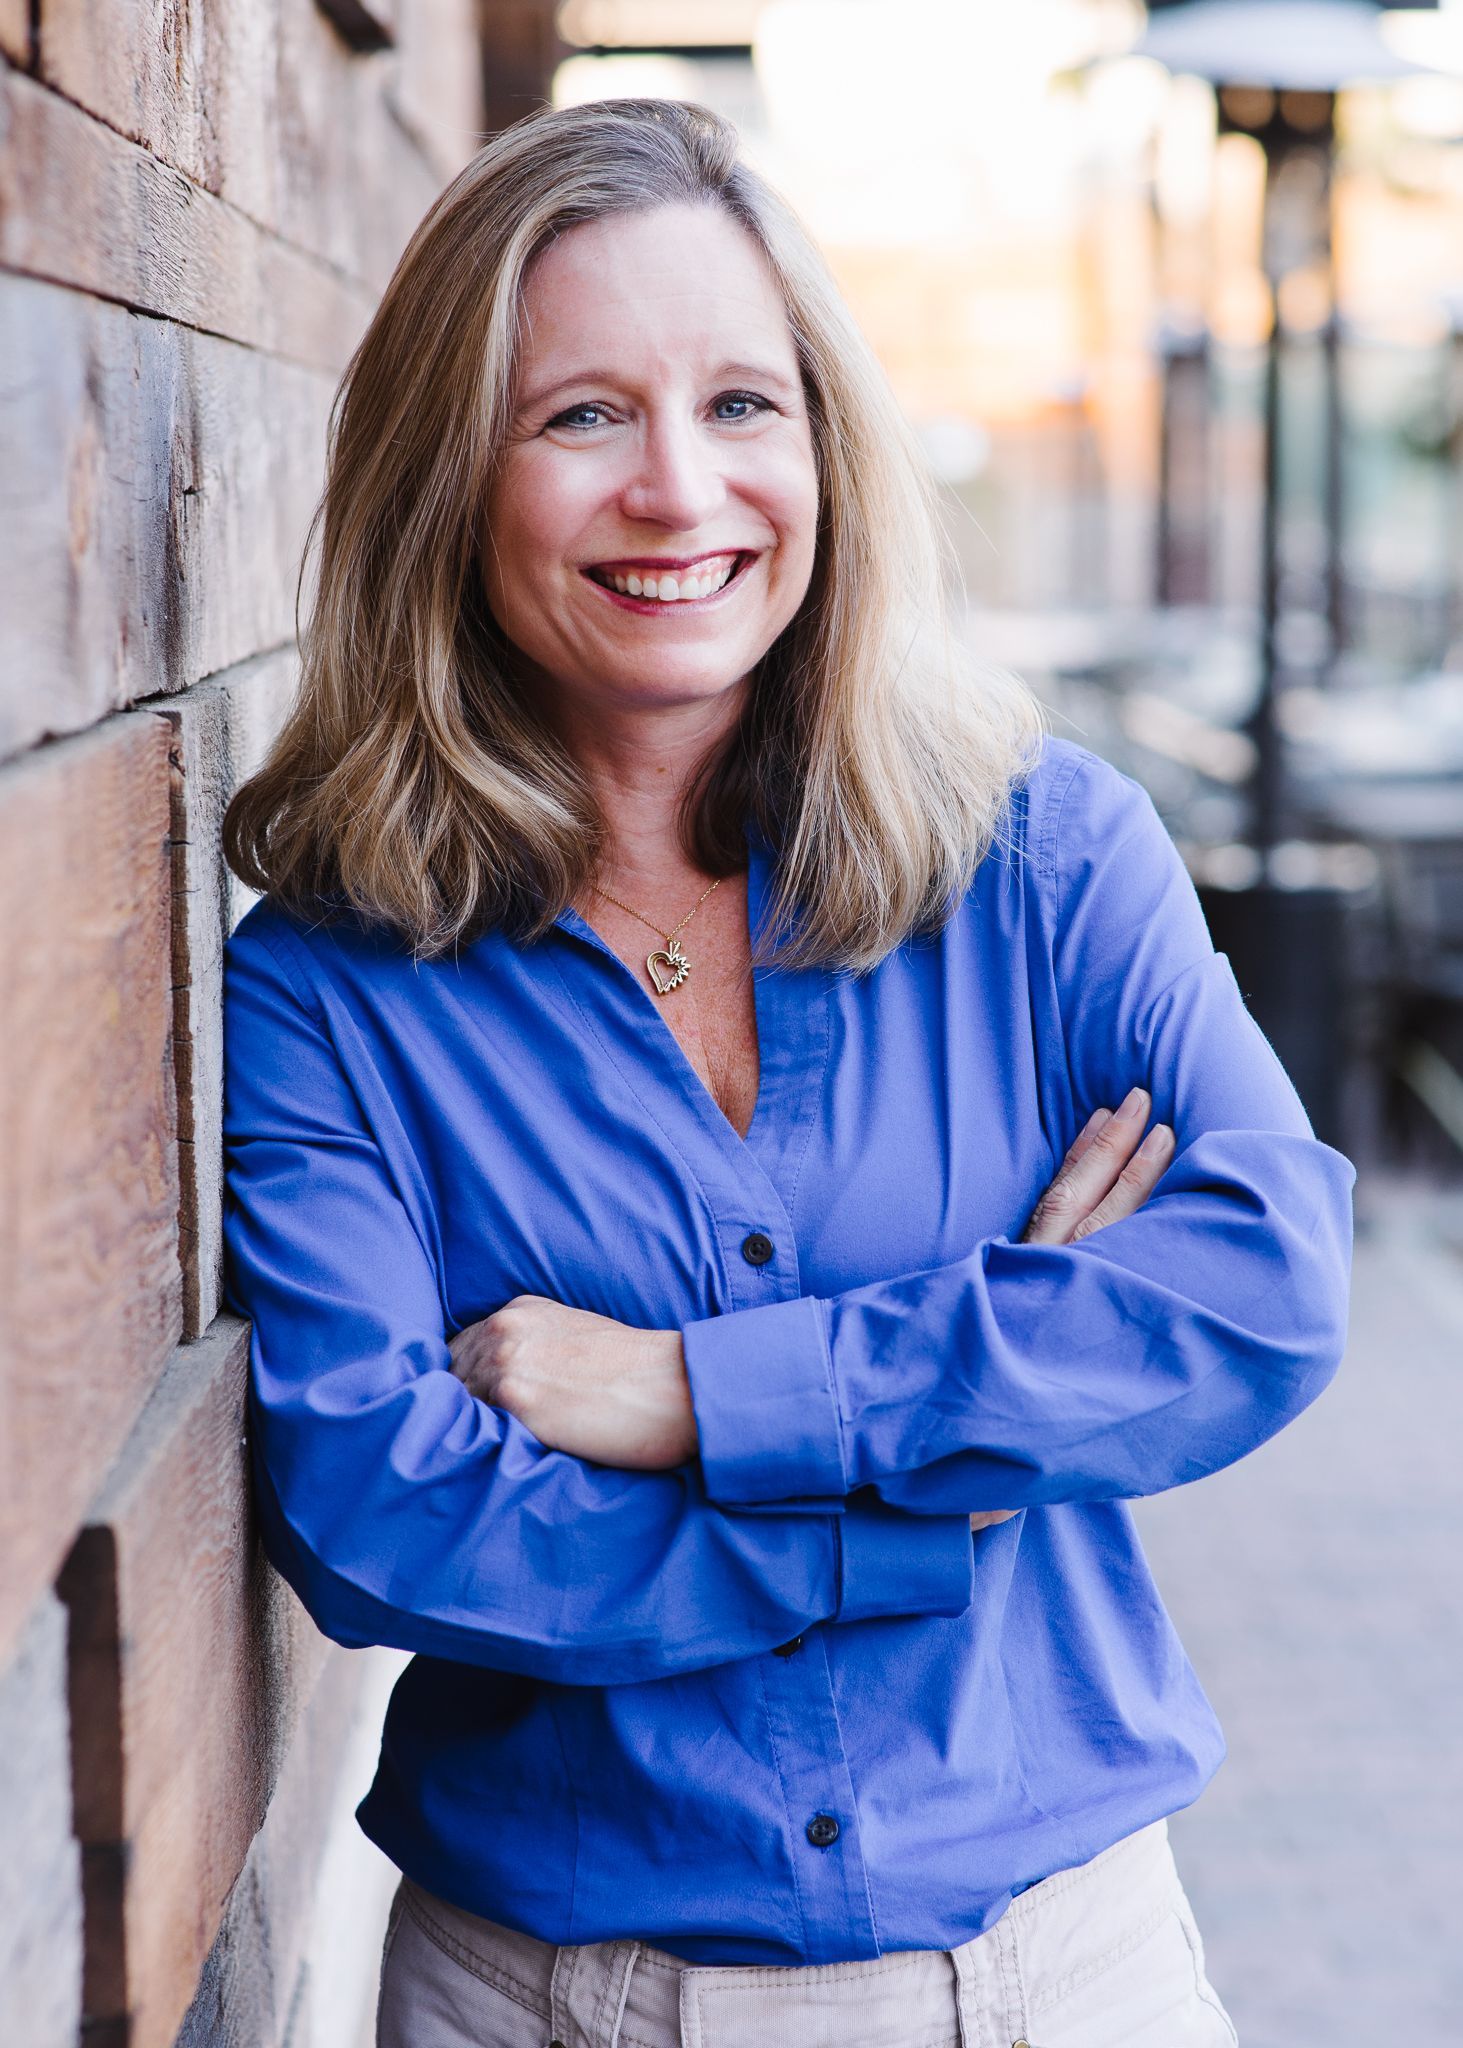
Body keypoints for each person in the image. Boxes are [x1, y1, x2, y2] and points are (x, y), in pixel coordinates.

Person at [219, 97, 1354, 2048]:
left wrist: (685, 1396)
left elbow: (1264, 1280)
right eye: (581, 415)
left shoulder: (1043, 858)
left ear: (829, 446)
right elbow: (385, 1505)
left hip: (1064, 1980)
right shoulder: (335, 982)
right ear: (445, 480)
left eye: (744, 403)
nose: (680, 487)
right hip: (552, 2002)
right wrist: (950, 1470)